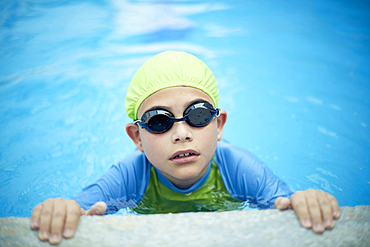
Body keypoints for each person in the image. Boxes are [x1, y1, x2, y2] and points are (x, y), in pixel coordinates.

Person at [30, 51, 340, 245]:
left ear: (219, 126)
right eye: (159, 121)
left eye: (198, 115)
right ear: (137, 138)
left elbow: (286, 205)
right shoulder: (129, 176)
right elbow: (78, 209)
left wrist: (307, 201)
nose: (181, 133)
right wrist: (62, 209)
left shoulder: (238, 169)